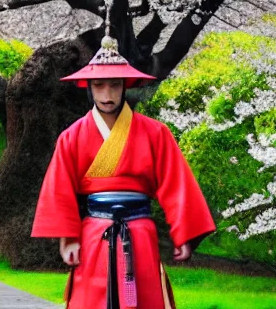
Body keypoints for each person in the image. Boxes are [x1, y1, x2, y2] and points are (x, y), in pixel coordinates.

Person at [31, 35, 216, 309]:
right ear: (89, 87)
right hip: (94, 232)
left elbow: (176, 184)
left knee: (144, 297)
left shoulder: (156, 133)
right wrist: (68, 238)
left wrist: (184, 233)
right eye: (99, 85)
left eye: (115, 85)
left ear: (125, 86)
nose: (107, 95)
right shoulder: (71, 137)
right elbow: (60, 190)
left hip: (140, 232)